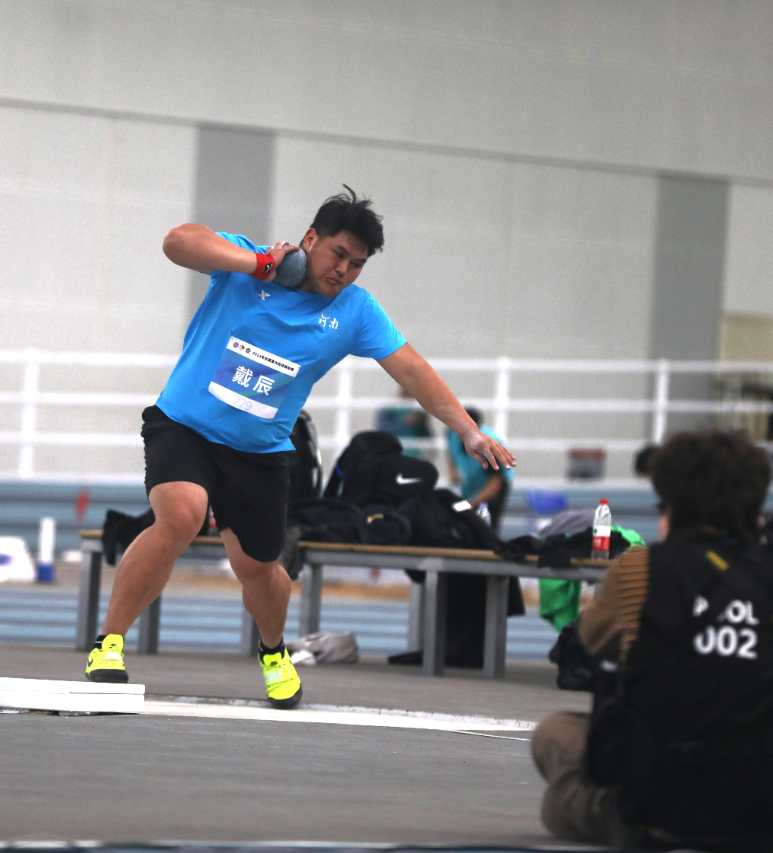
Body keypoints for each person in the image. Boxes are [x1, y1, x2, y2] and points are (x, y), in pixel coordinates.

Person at [86, 187, 516, 707]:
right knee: (181, 515)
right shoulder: (246, 265)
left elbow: (411, 369)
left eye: (357, 264)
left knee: (260, 570)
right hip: (184, 426)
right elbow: (178, 241)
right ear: (311, 239)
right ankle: (108, 643)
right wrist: (259, 264)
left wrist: (468, 430)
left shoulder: (355, 311)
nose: (344, 271)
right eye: (338, 254)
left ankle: (273, 651)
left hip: (259, 453)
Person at [532, 430, 773, 852]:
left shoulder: (638, 569)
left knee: (553, 734)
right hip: (759, 815)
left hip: (649, 808)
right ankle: (768, 822)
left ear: (670, 500)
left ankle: (619, 818)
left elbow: (591, 639)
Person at [446, 406, 513, 529]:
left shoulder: (489, 447)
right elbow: (450, 449)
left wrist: (470, 504)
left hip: (494, 485)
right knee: (465, 523)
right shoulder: (451, 433)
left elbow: (495, 484)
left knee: (487, 528)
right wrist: (453, 471)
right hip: (472, 480)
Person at [375, 385, 433, 459]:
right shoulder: (388, 408)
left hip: (414, 455)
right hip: (392, 454)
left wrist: (423, 419)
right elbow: (382, 429)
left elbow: (427, 438)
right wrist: (404, 422)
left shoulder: (417, 412)